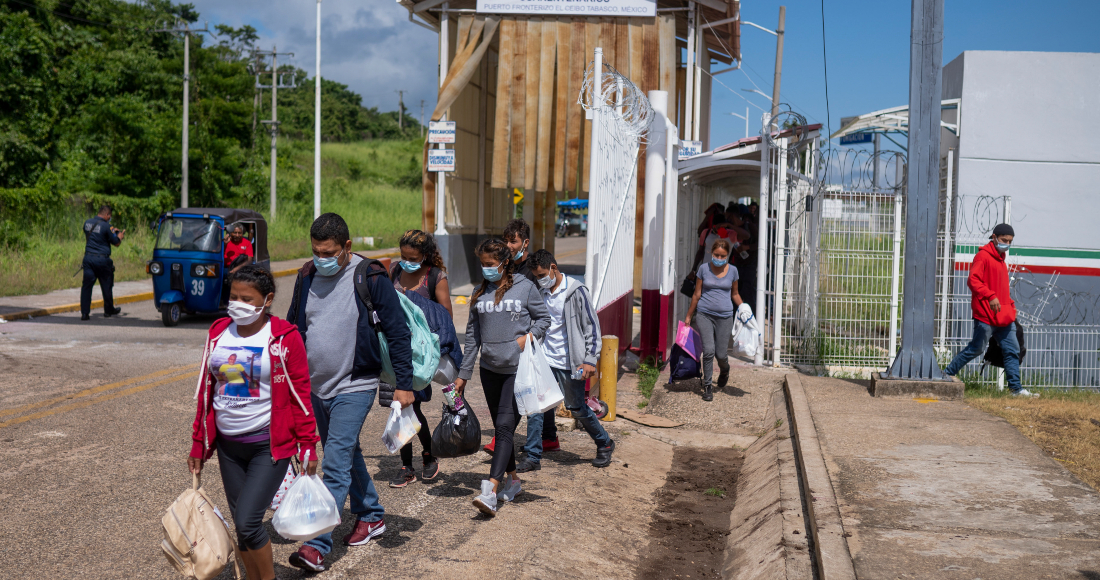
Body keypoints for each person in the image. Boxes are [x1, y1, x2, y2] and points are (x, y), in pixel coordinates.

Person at [285, 213, 415, 572]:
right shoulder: (305, 276)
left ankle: (316, 545)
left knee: (335, 463)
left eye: (328, 252)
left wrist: (404, 384)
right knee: (345, 451)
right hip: (315, 385)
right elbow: (294, 330)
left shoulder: (369, 276)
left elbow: (398, 331)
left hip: (355, 382)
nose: (321, 258)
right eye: (315, 251)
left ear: (347, 247)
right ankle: (371, 513)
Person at [188, 265, 319, 580]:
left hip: (267, 447)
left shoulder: (284, 337)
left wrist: (308, 444)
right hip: (228, 448)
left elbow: (300, 395)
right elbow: (208, 390)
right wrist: (198, 442)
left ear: (268, 299)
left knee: (248, 522)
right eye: (234, 296)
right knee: (242, 527)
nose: (238, 304)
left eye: (247, 299)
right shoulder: (218, 331)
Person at [455, 238, 550, 516]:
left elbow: (544, 319)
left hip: (515, 369)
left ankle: (491, 490)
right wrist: (464, 374)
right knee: (500, 426)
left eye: (489, 264)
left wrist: (527, 339)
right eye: (482, 264)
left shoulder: (525, 287)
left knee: (505, 427)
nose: (485, 269)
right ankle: (515, 481)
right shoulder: (479, 291)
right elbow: (473, 337)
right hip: (489, 370)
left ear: (504, 263)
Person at [525, 250, 615, 469]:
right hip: (544, 359)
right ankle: (532, 456)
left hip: (570, 362)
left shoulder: (575, 291)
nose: (540, 279)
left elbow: (591, 327)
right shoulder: (540, 290)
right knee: (536, 407)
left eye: (542, 274)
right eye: (536, 276)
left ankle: (604, 443)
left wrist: (590, 360)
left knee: (576, 407)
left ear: (554, 268)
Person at [388, 229, 452, 487]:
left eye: (412, 257)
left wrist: (414, 304)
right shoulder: (393, 270)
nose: (406, 261)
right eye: (403, 255)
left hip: (419, 355)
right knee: (399, 406)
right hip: (393, 350)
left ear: (425, 255)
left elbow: (445, 316)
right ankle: (409, 463)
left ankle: (426, 455)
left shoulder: (435, 277)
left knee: (411, 405)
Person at [943, 224, 1036, 397]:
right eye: (1004, 240)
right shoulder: (982, 257)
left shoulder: (1001, 259)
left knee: (1013, 351)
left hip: (1004, 317)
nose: (1007, 244)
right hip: (985, 316)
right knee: (976, 349)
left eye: (1010, 241)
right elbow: (973, 280)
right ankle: (947, 374)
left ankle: (1016, 390)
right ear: (994, 237)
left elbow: (1002, 289)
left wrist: (1011, 306)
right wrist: (990, 296)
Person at [499, 218, 562, 462]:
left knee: (523, 388)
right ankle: (549, 437)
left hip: (530, 339)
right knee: (540, 387)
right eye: (506, 240)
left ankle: (512, 439)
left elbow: (542, 309)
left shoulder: (533, 270)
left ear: (525, 242)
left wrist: (534, 335)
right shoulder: (506, 267)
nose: (509, 245)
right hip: (513, 334)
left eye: (513, 241)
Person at [685, 239, 743, 402]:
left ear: (727, 255)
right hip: (704, 314)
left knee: (721, 354)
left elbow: (735, 294)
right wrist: (689, 315)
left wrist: (744, 309)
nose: (719, 257)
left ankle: (725, 370)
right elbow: (697, 294)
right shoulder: (703, 269)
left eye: (723, 255)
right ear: (711, 253)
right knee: (709, 351)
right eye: (716, 254)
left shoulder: (733, 271)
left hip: (725, 317)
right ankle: (708, 386)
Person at [80, 205, 125, 320]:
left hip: (89, 259)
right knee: (107, 285)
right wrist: (119, 236)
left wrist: (110, 232)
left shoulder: (87, 223)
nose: (109, 218)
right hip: (102, 260)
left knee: (86, 287)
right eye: (109, 216)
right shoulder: (106, 226)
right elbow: (116, 243)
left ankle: (85, 313)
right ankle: (108, 311)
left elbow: (95, 235)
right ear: (107, 215)